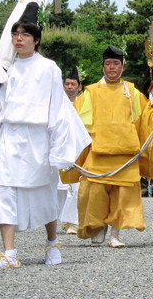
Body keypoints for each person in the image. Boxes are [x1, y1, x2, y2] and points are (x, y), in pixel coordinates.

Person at [0, 2, 91, 269]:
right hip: (9, 136)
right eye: (16, 34)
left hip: (37, 137)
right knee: (4, 190)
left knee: (45, 191)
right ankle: (9, 253)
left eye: (25, 35)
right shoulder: (3, 68)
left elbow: (57, 108)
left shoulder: (49, 68)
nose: (19, 39)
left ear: (36, 40)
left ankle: (52, 243)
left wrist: (57, 147)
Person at [62, 45, 153, 248]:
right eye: (108, 64)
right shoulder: (91, 92)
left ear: (123, 67)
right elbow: (77, 119)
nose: (112, 68)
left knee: (123, 196)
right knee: (92, 192)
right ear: (103, 67)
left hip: (126, 154)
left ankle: (116, 234)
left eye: (116, 64)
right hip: (99, 151)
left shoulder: (132, 91)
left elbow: (144, 116)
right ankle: (98, 226)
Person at [56, 66, 83, 235]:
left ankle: (72, 221)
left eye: (73, 84)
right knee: (59, 187)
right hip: (60, 145)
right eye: (67, 84)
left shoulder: (84, 102)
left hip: (78, 147)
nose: (70, 87)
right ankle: (60, 218)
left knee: (76, 185)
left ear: (79, 86)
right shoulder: (58, 102)